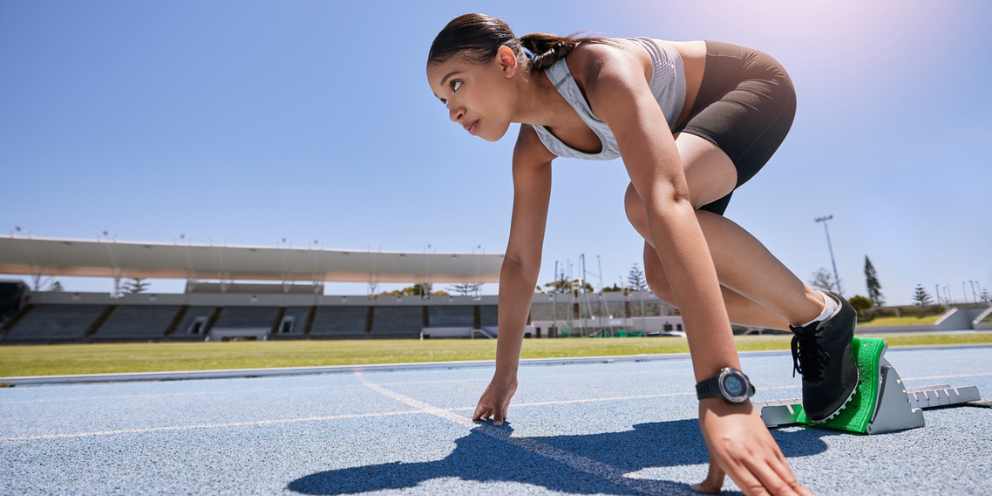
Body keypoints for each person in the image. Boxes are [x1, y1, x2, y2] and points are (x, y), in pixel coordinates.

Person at [427, 13, 857, 495]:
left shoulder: (600, 70)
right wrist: (504, 377)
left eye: (456, 84)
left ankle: (822, 318)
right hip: (684, 140)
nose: (452, 110)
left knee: (643, 204)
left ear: (506, 61)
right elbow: (520, 263)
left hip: (751, 88)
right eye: (443, 100)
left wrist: (724, 394)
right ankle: (817, 318)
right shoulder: (532, 148)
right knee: (665, 280)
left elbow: (666, 197)